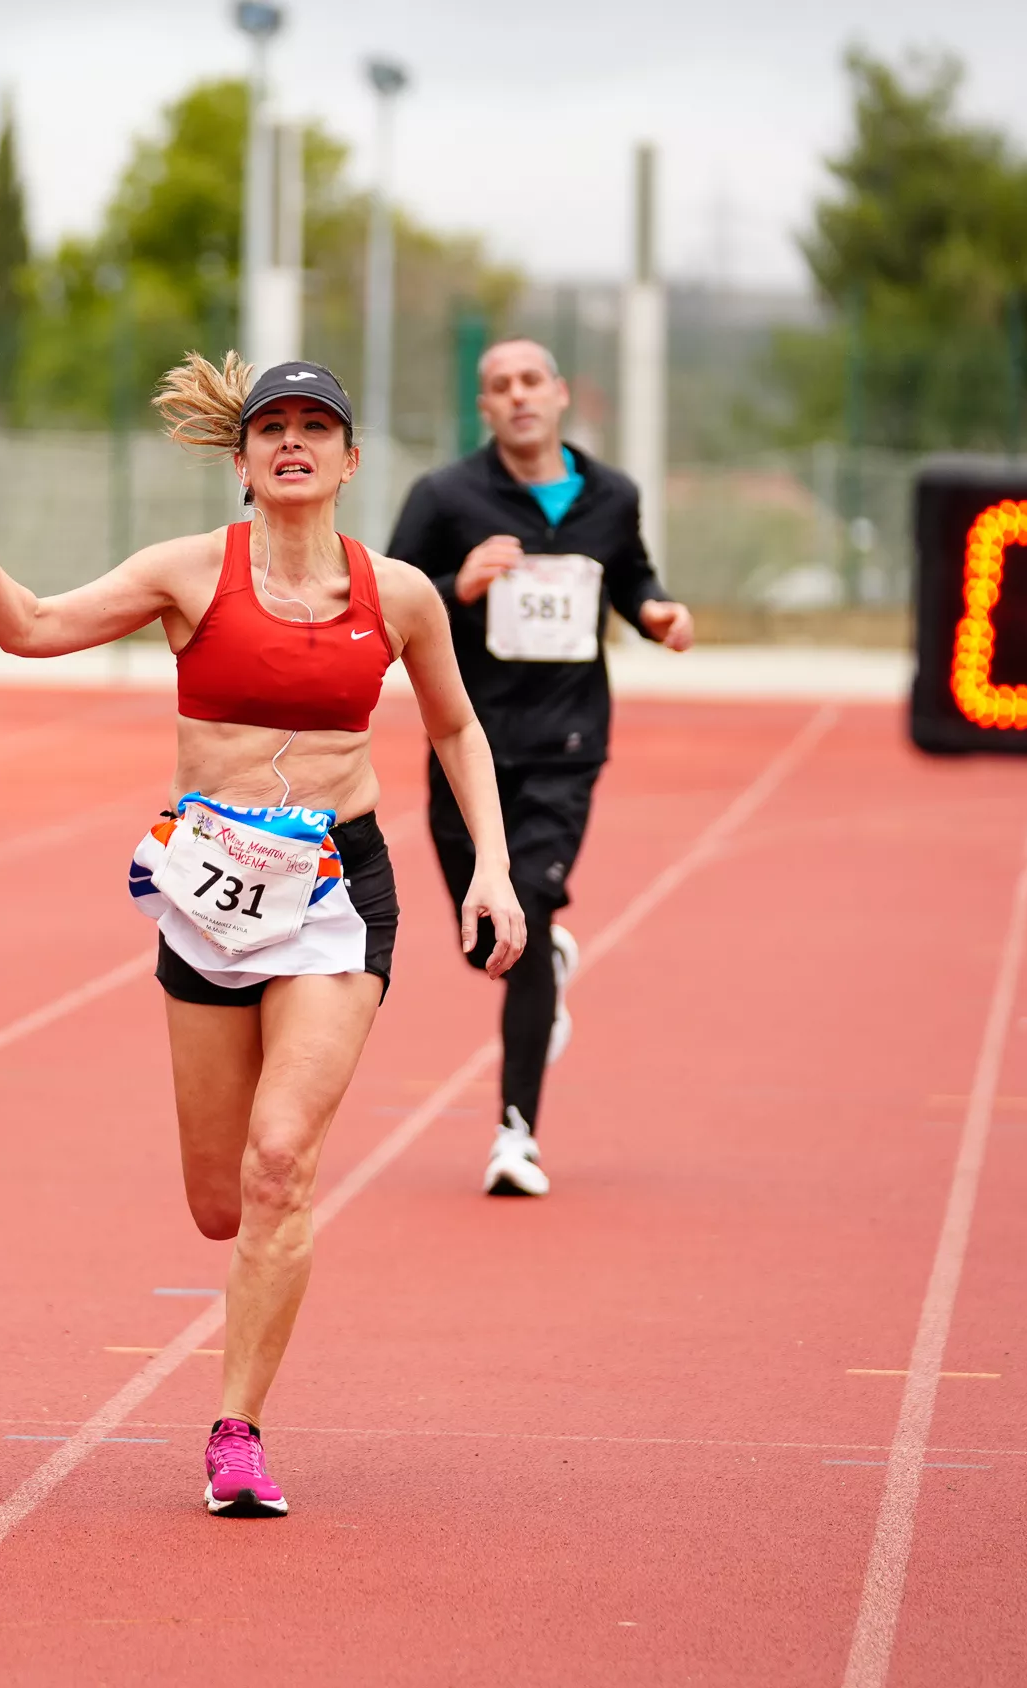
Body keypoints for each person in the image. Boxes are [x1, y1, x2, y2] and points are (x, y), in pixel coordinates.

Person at [0, 354, 523, 1519]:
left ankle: (237, 1430)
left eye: (317, 428)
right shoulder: (192, 571)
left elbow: (456, 727)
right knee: (219, 1198)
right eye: (272, 429)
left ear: (350, 459)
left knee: (281, 1159)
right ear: (243, 461)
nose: (293, 443)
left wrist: (489, 864)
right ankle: (245, 1319)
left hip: (340, 890)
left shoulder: (398, 592)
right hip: (208, 896)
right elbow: (36, 630)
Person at [384, 340, 694, 1198]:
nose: (518, 396)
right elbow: (386, 598)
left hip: (566, 747)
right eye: (499, 386)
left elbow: (627, 575)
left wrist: (655, 612)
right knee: (486, 938)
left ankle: (515, 1134)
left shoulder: (613, 496)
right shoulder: (445, 496)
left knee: (523, 913)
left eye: (531, 382)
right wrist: (460, 584)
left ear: (560, 395)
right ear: (483, 407)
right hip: (468, 742)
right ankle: (545, 962)